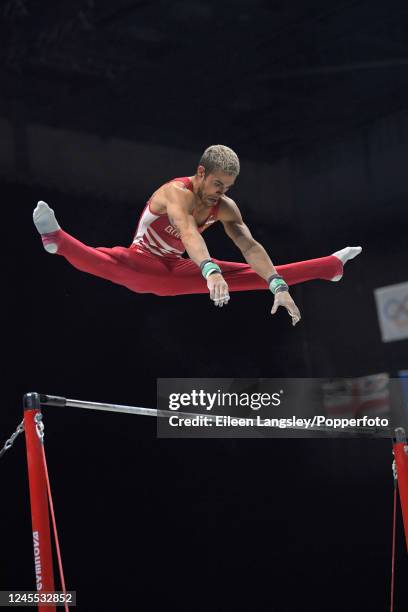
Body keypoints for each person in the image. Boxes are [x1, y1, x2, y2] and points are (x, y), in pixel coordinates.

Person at [33, 144, 362, 326]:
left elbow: (249, 245)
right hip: (141, 263)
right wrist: (210, 271)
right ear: (201, 173)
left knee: (249, 274)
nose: (221, 193)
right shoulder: (176, 192)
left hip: (176, 270)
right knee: (111, 260)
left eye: (228, 188)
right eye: (217, 185)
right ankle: (58, 239)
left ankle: (330, 267)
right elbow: (189, 232)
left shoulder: (225, 206)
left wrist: (276, 285)